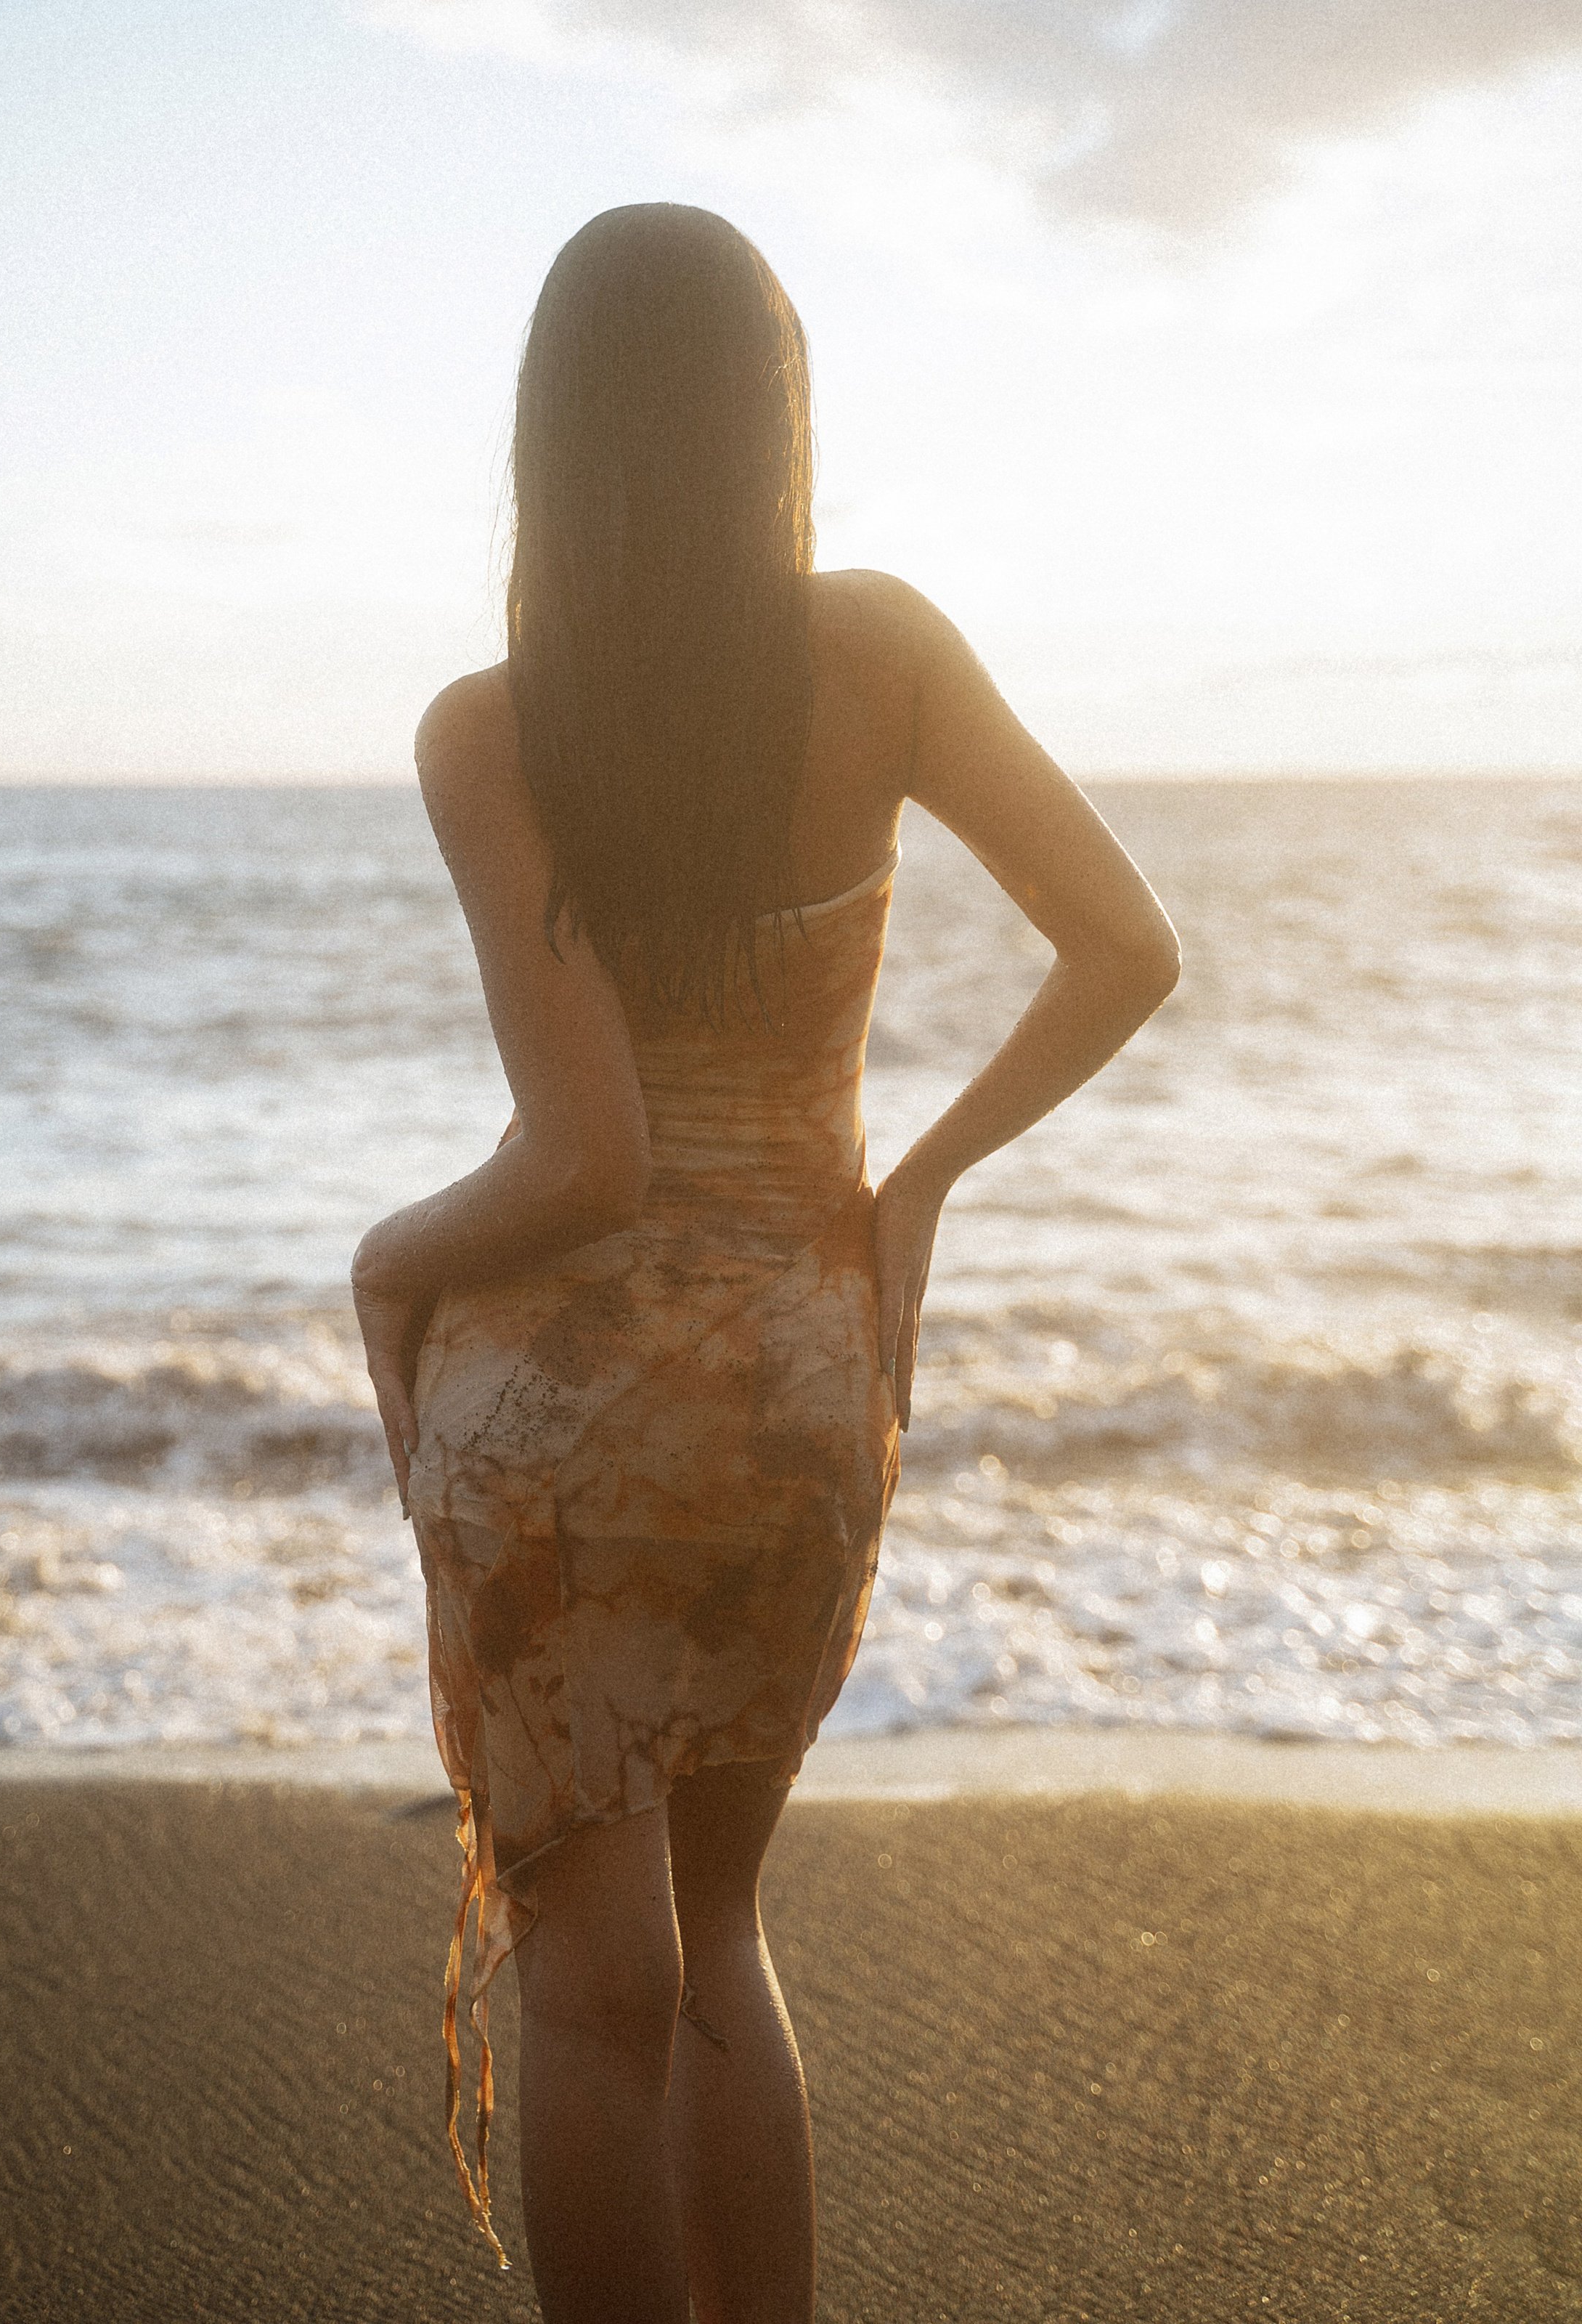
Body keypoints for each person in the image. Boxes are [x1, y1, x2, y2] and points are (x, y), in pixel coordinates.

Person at [350, 202, 1180, 2324]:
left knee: (591, 1994)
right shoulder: (885, 652)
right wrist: (912, 1192)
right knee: (719, 1948)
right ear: (771, 419)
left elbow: (590, 1157)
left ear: (555, 440)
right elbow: (1126, 949)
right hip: (802, 1388)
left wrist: (383, 1261)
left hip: (555, 1428)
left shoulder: (488, 728)